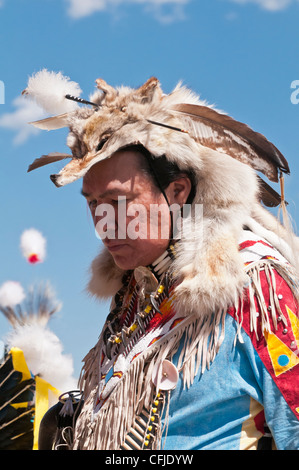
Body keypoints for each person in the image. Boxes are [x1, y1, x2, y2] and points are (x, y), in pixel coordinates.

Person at [24, 72, 299, 450]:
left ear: (177, 191)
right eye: (93, 203)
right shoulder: (132, 294)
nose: (103, 225)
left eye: (120, 201)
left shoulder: (254, 289)